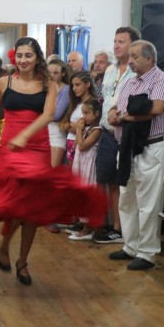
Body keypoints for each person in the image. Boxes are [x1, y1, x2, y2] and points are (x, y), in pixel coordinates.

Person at [0, 37, 106, 285]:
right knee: (15, 204)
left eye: (28, 55)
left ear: (36, 57)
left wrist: (25, 135)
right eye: (19, 55)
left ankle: (22, 261)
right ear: (14, 57)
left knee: (32, 208)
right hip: (12, 148)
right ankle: (5, 245)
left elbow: (49, 115)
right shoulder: (4, 82)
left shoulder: (48, 85)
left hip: (37, 148)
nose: (23, 60)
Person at [107, 40, 164, 271]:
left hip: (152, 146)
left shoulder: (162, 80)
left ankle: (147, 253)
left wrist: (124, 117)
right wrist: (112, 114)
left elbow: (155, 109)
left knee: (148, 201)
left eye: (135, 57)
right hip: (127, 145)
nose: (131, 61)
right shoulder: (130, 82)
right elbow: (116, 106)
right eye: (130, 57)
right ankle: (130, 245)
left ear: (150, 59)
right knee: (127, 198)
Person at [93, 26, 139, 245]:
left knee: (124, 183)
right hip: (106, 133)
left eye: (121, 41)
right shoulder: (110, 70)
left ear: (133, 46)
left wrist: (120, 116)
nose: (116, 45)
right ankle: (113, 226)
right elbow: (106, 99)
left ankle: (125, 230)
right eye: (115, 41)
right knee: (108, 181)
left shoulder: (137, 72)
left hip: (125, 134)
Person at [67, 99, 104, 241]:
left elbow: (82, 146)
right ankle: (82, 223)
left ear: (96, 113)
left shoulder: (97, 130)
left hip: (89, 166)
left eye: (87, 113)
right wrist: (80, 130)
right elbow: (76, 143)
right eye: (83, 113)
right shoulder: (87, 128)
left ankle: (88, 227)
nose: (84, 116)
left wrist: (78, 129)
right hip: (81, 164)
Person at [60, 70, 97, 166]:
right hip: (69, 142)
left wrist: (73, 126)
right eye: (72, 85)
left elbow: (84, 127)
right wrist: (71, 126)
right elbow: (64, 125)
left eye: (77, 85)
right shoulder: (75, 103)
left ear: (88, 84)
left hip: (81, 143)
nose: (74, 88)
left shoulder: (92, 103)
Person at [47, 59, 70, 167]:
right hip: (43, 130)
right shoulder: (44, 88)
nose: (51, 76)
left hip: (56, 132)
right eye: (49, 72)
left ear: (63, 73)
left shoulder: (66, 89)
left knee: (52, 170)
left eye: (55, 73)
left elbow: (56, 115)